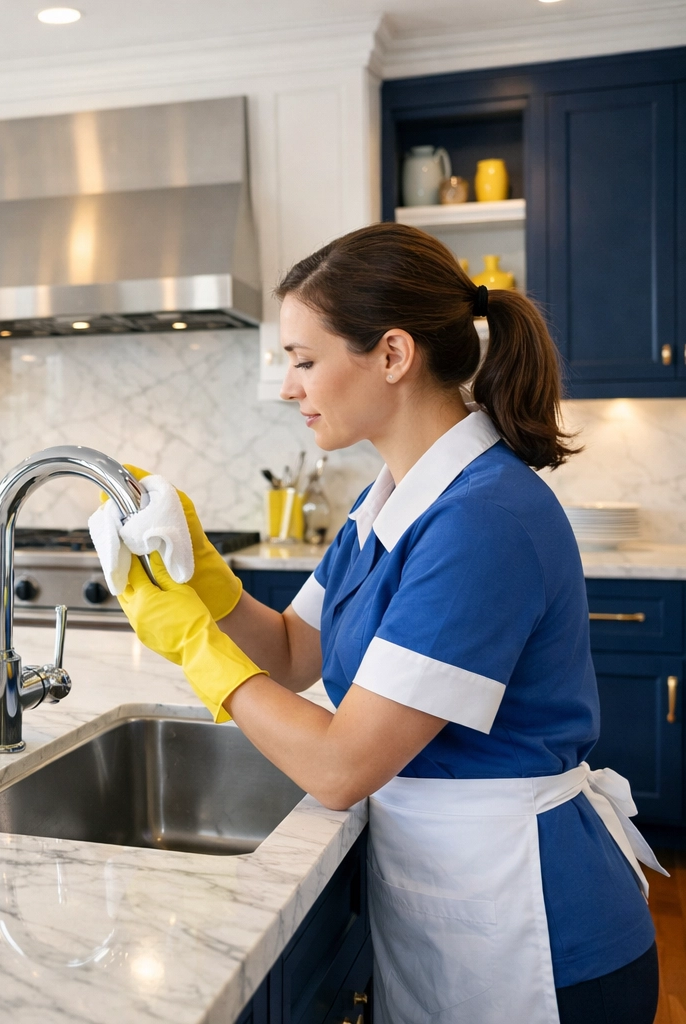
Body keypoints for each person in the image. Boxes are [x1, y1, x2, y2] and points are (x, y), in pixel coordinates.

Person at [118, 222, 662, 1023]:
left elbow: (340, 767)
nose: (288, 387)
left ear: (394, 355)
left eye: (305, 360)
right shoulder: (389, 501)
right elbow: (294, 652)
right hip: (456, 907)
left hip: (541, 942)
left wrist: (190, 641)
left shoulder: (484, 519)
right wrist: (200, 573)